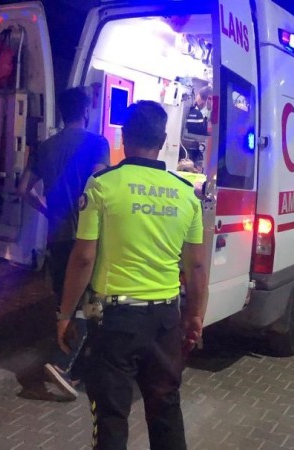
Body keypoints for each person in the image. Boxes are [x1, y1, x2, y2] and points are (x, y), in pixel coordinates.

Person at [56, 100, 208, 449]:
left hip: (114, 320)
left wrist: (65, 314)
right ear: (163, 140)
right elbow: (197, 266)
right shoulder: (186, 194)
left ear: (124, 137)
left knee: (111, 415)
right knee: (166, 409)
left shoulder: (102, 185)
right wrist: (194, 315)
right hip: (165, 319)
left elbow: (84, 258)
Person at [18, 86, 110, 400]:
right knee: (88, 302)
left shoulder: (45, 147)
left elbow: (24, 189)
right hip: (86, 234)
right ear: (85, 111)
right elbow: (100, 184)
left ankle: (65, 357)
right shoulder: (97, 143)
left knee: (64, 301)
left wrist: (47, 210)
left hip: (56, 236)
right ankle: (67, 366)